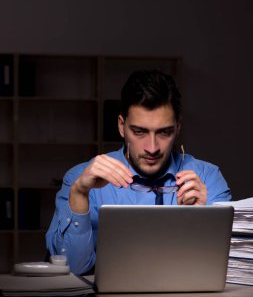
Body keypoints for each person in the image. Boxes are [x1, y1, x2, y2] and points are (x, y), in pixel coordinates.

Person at [46, 69, 232, 275]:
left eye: (164, 132)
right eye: (139, 132)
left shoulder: (208, 178)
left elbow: (223, 272)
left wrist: (201, 219)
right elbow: (73, 270)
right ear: (121, 127)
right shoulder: (80, 179)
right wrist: (80, 194)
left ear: (178, 128)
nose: (152, 147)